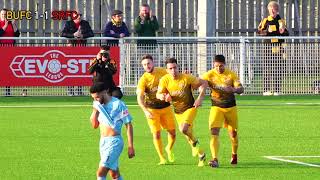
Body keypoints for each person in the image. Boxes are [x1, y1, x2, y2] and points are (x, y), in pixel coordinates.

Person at [156, 57, 207, 167]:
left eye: (175, 68)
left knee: (183, 129)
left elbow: (204, 83)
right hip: (178, 112)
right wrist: (164, 96)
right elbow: (158, 94)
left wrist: (200, 98)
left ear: (178, 67)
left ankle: (195, 143)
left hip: (190, 107)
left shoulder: (186, 78)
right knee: (188, 136)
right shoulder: (164, 80)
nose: (173, 71)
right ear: (167, 70)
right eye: (170, 68)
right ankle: (201, 155)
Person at [201, 55, 244, 168]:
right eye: (216, 66)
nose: (218, 68)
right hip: (216, 107)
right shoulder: (209, 74)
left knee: (233, 133)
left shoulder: (231, 75)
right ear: (213, 65)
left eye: (221, 66)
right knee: (214, 131)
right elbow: (199, 82)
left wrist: (233, 89)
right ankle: (215, 159)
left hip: (230, 107)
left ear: (225, 64)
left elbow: (241, 89)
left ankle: (234, 154)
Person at [89, 82, 135, 180]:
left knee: (100, 173)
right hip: (103, 142)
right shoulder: (98, 106)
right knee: (114, 174)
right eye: (93, 98)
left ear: (105, 92)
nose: (95, 100)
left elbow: (128, 125)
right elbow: (94, 126)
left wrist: (130, 146)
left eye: (97, 97)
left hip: (115, 143)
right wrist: (95, 111)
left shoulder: (118, 104)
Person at [137, 54, 176, 165]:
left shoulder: (163, 72)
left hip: (166, 108)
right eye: (144, 64)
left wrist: (170, 94)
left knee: (173, 133)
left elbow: (173, 84)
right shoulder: (143, 79)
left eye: (148, 63)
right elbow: (139, 97)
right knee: (156, 134)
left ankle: (168, 148)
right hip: (152, 110)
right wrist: (145, 111)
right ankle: (162, 158)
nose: (147, 66)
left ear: (153, 62)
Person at [257, 1, 289, 96]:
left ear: (277, 10)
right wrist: (266, 32)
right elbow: (259, 31)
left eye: (274, 9)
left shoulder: (281, 21)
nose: (272, 11)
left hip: (279, 47)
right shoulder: (265, 20)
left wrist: (282, 32)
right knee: (267, 67)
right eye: (270, 9)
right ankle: (266, 90)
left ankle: (277, 90)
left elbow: (286, 33)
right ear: (268, 10)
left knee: (278, 68)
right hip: (268, 47)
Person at [61, 11, 94, 96]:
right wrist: (73, 35)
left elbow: (91, 33)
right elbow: (63, 33)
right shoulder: (69, 23)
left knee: (81, 69)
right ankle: (70, 90)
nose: (79, 17)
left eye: (80, 15)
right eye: (77, 15)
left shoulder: (85, 23)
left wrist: (83, 35)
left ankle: (79, 90)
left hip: (82, 49)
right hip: (71, 49)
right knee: (70, 69)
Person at [0, 8, 20, 96]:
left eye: (5, 14)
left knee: (8, 70)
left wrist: (14, 24)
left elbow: (17, 35)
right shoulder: (1, 24)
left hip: (10, 49)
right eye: (2, 14)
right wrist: (5, 25)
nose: (4, 16)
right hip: (1, 49)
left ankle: (7, 92)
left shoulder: (11, 24)